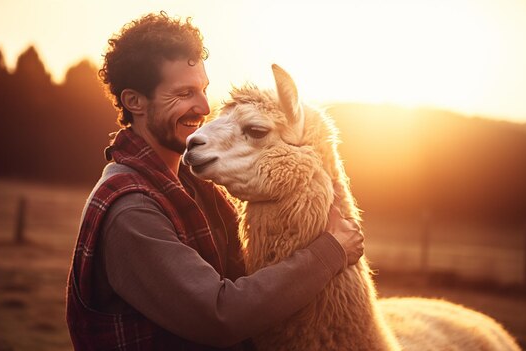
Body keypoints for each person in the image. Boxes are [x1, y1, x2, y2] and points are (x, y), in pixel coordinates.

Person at [66, 12, 365, 351]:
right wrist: (330, 253)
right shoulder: (132, 209)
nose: (203, 107)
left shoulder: (192, 186)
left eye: (203, 90)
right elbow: (218, 316)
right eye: (183, 94)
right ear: (135, 102)